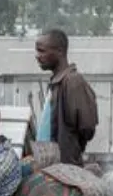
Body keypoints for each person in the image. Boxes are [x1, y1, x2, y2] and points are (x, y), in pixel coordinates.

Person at [27, 29, 98, 166]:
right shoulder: (57, 82)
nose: (37, 56)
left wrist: (71, 150)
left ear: (60, 51)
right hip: (49, 166)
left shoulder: (72, 81)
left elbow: (87, 128)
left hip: (64, 168)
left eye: (41, 51)